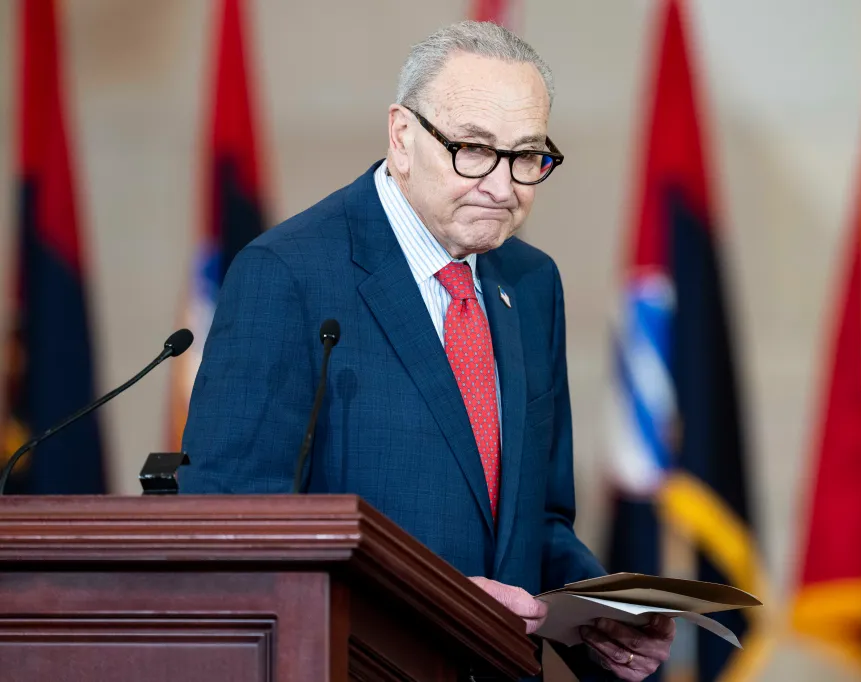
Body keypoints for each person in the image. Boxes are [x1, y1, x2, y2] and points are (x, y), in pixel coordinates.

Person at [178, 20, 674, 681]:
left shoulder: (530, 284)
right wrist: (432, 603)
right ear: (402, 137)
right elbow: (231, 532)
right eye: (474, 149)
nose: (503, 187)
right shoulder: (288, 274)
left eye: (528, 156)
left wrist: (598, 616)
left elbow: (537, 521)